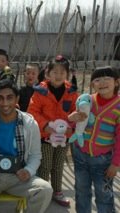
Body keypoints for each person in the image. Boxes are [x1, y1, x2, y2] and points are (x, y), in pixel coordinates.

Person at [0, 79, 53, 213]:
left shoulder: (30, 124)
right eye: (0, 98)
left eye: (10, 98)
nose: (5, 103)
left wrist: (28, 170)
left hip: (19, 176)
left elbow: (35, 155)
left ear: (17, 98)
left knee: (45, 190)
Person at [27, 55, 78, 207]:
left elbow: (76, 112)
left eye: (62, 73)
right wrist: (45, 126)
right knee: (45, 166)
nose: (58, 76)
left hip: (64, 137)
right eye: (55, 72)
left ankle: (57, 191)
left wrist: (71, 127)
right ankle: (43, 192)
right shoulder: (40, 91)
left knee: (58, 165)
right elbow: (33, 111)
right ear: (48, 73)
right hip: (45, 137)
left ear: (67, 75)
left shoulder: (72, 92)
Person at [68, 66, 120, 213]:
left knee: (104, 195)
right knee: (81, 190)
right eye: (97, 79)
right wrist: (71, 119)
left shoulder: (118, 106)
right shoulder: (87, 101)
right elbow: (77, 122)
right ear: (92, 85)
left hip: (103, 161)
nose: (102, 82)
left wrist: (116, 164)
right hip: (80, 155)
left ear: (116, 82)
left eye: (107, 78)